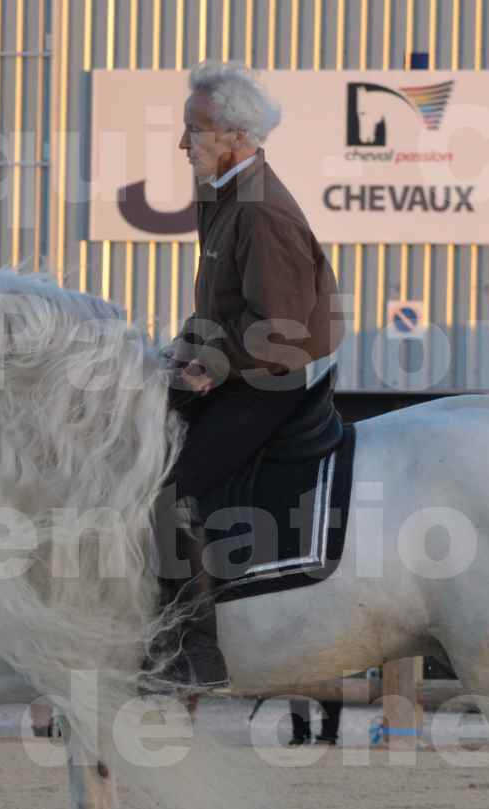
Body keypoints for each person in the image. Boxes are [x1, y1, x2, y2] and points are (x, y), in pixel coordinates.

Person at [153, 62, 342, 690]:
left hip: (271, 381)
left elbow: (280, 330)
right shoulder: (225, 192)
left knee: (169, 492)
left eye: (194, 131)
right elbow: (220, 305)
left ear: (234, 135)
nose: (184, 144)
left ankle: (194, 650)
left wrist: (216, 362)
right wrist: (182, 348)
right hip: (242, 368)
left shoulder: (261, 212)